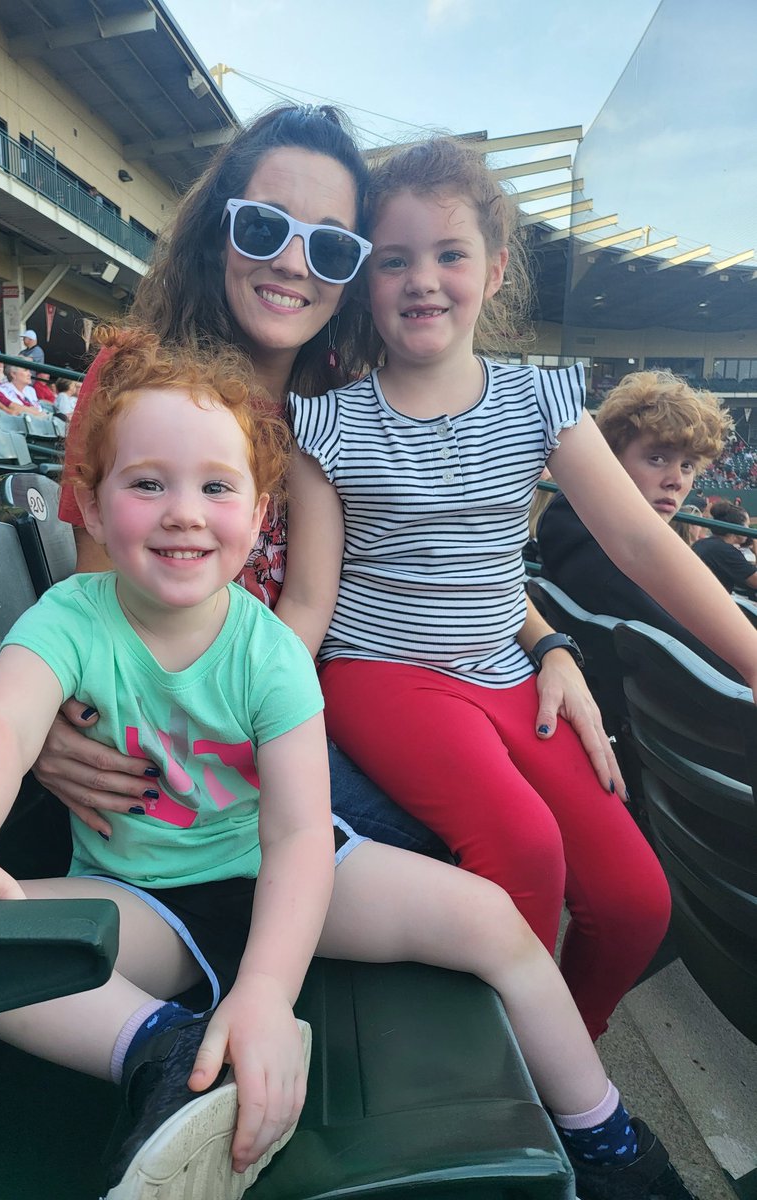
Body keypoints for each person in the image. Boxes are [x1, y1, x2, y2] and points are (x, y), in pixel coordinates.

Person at [0, 328, 699, 1200]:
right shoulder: (70, 618)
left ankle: (605, 1137)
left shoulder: (269, 651)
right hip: (144, 895)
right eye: (147, 483)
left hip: (283, 872)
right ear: (94, 508)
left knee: (494, 922)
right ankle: (163, 1052)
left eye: (216, 486)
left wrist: (263, 991)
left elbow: (299, 835)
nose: (184, 512)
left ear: (258, 514)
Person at [46, 104, 622, 885]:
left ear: (353, 272)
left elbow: (448, 558)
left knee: (528, 825)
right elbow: (96, 606)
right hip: (191, 743)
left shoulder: (344, 405)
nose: (293, 263)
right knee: (474, 839)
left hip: (308, 711)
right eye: (262, 228)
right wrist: (47, 722)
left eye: (330, 246)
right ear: (219, 233)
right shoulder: (136, 387)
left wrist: (549, 645)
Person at [278, 136, 757, 1043]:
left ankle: (558, 1056)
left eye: (449, 254)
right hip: (384, 673)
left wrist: (751, 658)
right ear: (366, 280)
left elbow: (639, 541)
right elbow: (308, 602)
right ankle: (510, 1080)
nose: (422, 280)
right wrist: (242, 716)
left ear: (495, 272)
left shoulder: (541, 401)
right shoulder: (326, 424)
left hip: (507, 673)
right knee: (526, 856)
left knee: (636, 902)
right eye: (394, 260)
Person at [537, 370, 742, 679]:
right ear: (609, 459)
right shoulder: (596, 546)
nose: (676, 480)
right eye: (657, 458)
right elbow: (721, 669)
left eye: (687, 466)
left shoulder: (573, 520)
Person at [692, 499, 757, 592]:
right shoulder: (725, 550)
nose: (748, 529)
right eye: (747, 525)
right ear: (737, 527)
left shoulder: (704, 543)